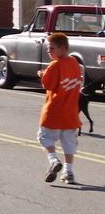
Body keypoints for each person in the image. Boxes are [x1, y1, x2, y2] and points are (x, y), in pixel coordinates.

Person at [37, 32, 82, 184]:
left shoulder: (55, 65)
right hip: (71, 113)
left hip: (54, 111)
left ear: (63, 48)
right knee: (69, 143)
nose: (49, 51)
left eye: (52, 48)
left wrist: (42, 75)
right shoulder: (74, 62)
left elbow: (48, 85)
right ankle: (68, 173)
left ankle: (54, 160)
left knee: (45, 137)